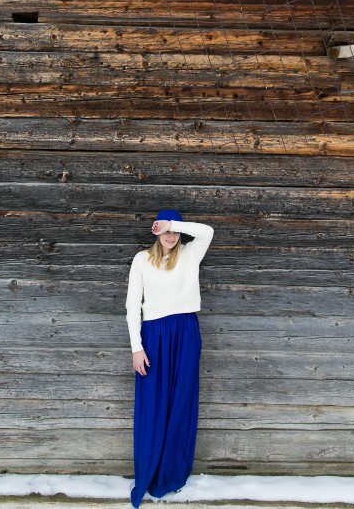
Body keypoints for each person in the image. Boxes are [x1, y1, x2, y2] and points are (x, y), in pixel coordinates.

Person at [126, 208, 214, 508]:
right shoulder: (142, 260)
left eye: (174, 230)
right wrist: (136, 347)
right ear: (155, 232)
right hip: (153, 336)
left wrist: (174, 223)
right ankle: (149, 473)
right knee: (153, 403)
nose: (171, 235)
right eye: (164, 230)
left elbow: (207, 232)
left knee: (180, 402)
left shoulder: (190, 254)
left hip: (186, 332)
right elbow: (131, 306)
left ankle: (173, 474)